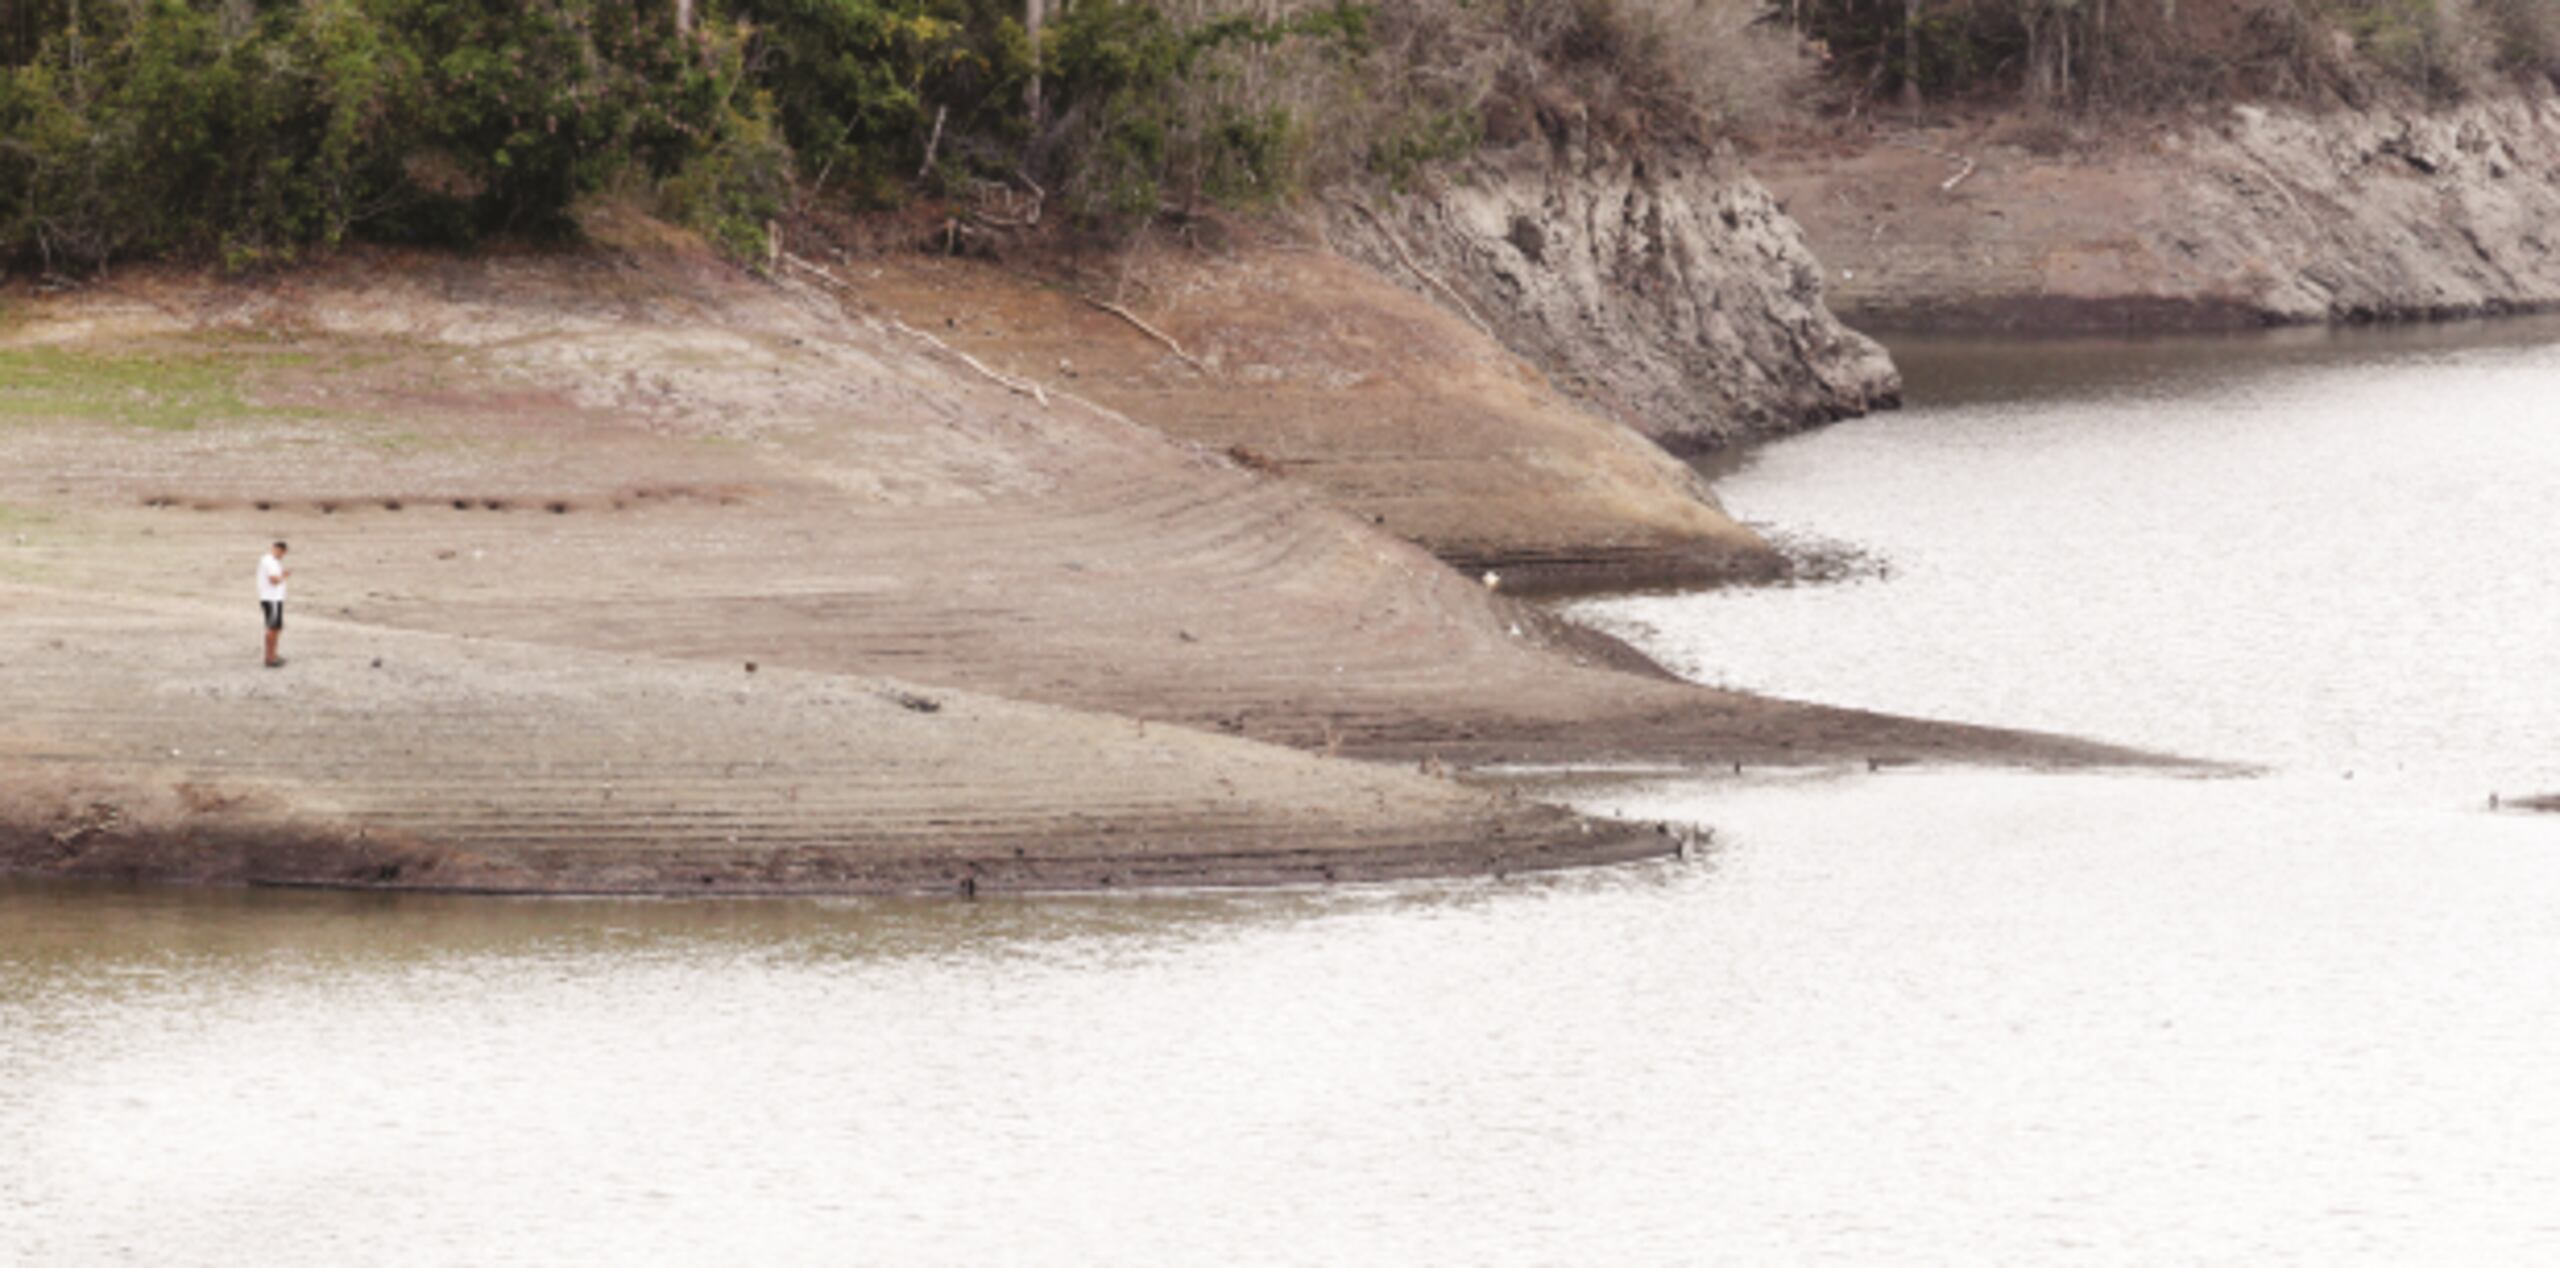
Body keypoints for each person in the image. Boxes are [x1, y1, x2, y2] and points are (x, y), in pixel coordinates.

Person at [257, 541, 291, 668]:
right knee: (273, 628)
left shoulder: (270, 561)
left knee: (276, 628)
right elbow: (274, 580)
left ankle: (273, 655)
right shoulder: (270, 561)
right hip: (272, 599)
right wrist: (283, 575)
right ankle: (270, 658)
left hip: (273, 598)